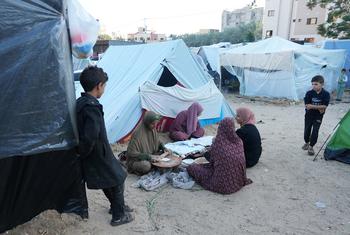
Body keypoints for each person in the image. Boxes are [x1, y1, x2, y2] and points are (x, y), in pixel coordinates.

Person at [76, 66, 133, 226]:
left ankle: (116, 206)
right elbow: (90, 136)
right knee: (118, 178)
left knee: (109, 180)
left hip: (95, 154)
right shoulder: (92, 108)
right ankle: (118, 215)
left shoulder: (81, 102)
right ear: (99, 86)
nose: (104, 89)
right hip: (98, 153)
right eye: (104, 86)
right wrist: (83, 152)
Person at [187, 118, 252, 194]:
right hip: (238, 181)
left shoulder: (218, 144)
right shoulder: (239, 141)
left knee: (192, 167)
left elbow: (211, 160)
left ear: (220, 127)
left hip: (222, 184)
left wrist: (203, 153)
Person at [126, 111, 164, 175]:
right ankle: (135, 169)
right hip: (137, 160)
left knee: (166, 153)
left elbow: (157, 141)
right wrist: (148, 157)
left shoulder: (152, 129)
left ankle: (153, 163)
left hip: (151, 155)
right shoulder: (138, 134)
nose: (154, 126)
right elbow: (131, 153)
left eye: (156, 123)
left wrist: (163, 147)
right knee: (146, 166)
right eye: (152, 124)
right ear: (147, 122)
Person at [302, 75, 330, 156]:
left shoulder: (326, 94)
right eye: (313, 84)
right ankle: (307, 143)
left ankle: (311, 146)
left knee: (315, 130)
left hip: (318, 116)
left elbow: (325, 106)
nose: (314, 86)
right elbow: (307, 105)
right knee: (307, 130)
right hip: (309, 115)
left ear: (322, 84)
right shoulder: (309, 93)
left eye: (316, 84)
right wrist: (319, 107)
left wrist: (313, 106)